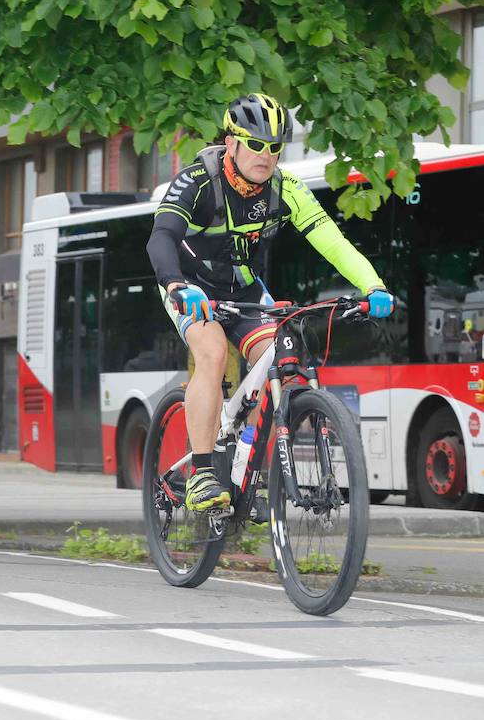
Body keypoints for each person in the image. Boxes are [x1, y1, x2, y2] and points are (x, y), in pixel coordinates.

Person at [146, 92, 394, 514]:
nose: (266, 155)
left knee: (280, 358)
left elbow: (332, 242)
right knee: (213, 351)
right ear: (232, 143)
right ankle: (203, 472)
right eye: (256, 144)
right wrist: (174, 285)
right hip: (190, 286)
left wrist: (374, 286)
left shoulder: (286, 189)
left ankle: (247, 461)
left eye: (275, 147)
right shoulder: (198, 181)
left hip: (243, 291)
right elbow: (161, 237)